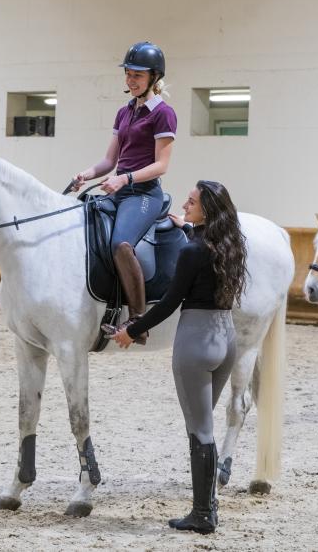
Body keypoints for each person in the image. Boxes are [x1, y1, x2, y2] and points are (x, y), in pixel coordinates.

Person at [106, 180, 247, 534]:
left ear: (207, 211)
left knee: (200, 431)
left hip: (196, 343)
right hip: (225, 339)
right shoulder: (231, 245)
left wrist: (132, 329)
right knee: (205, 427)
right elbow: (202, 251)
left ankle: (202, 514)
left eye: (192, 202)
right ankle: (208, 506)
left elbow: (169, 302)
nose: (185, 204)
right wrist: (187, 228)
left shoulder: (191, 252)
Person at [72, 41, 177, 344]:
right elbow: (109, 161)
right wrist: (87, 174)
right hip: (121, 190)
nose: (130, 81)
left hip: (144, 194)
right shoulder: (124, 112)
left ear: (154, 78)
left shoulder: (163, 114)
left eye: (137, 76)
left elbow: (161, 166)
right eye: (128, 75)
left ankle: (138, 321)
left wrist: (124, 179)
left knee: (120, 244)